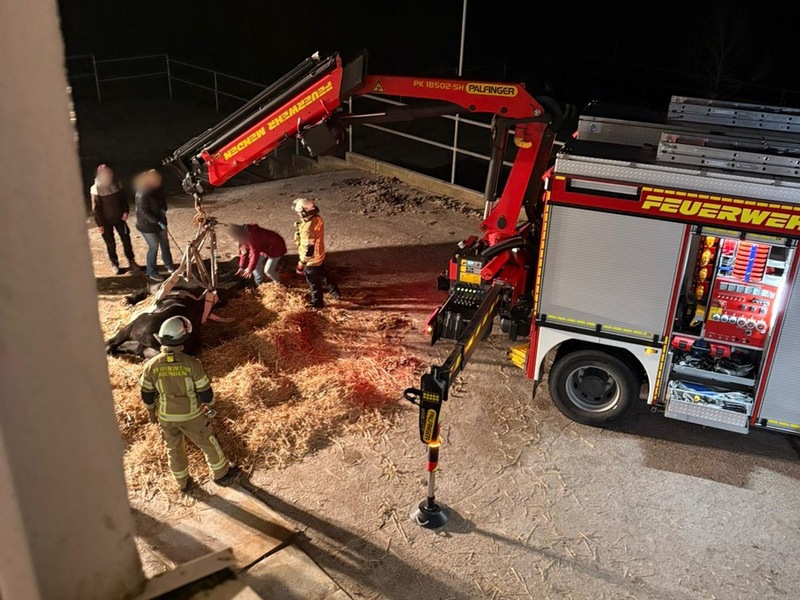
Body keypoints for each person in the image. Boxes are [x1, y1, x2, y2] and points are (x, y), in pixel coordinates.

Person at [140, 316, 239, 491]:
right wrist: (209, 406)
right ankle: (221, 474)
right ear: (183, 338)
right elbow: (205, 392)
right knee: (208, 442)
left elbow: (146, 393)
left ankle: (182, 482)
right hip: (191, 415)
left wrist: (151, 412)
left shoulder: (151, 366)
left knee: (173, 449)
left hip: (166, 417)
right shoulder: (192, 364)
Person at [90, 164, 140, 275]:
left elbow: (123, 199)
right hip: (106, 222)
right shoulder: (96, 188)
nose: (109, 175)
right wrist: (100, 224)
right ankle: (114, 264)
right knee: (110, 243)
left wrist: (125, 211)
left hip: (119, 218)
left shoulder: (117, 183)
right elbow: (96, 209)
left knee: (126, 239)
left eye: (110, 173)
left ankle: (131, 261)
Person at [293, 198, 340, 308]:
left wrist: (301, 264)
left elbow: (308, 250)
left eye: (299, 212)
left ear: (305, 212)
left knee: (313, 282)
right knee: (323, 274)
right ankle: (335, 293)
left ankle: (317, 302)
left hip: (311, 260)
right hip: (320, 255)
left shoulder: (307, 230)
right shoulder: (317, 218)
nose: (297, 214)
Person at [135, 169, 176, 282]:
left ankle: (169, 265)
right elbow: (143, 211)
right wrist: (157, 221)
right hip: (147, 225)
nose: (159, 183)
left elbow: (163, 201)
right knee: (153, 246)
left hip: (159, 221)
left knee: (165, 243)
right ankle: (151, 271)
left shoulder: (158, 188)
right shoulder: (142, 193)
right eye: (157, 181)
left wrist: (163, 209)